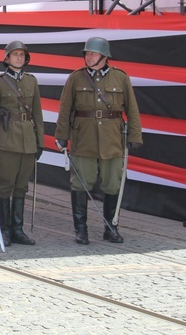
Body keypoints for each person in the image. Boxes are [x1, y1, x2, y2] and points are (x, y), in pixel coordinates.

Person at [55, 37, 143, 245]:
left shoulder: (120, 78)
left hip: (112, 140)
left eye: (92, 54)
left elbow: (132, 109)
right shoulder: (76, 78)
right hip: (83, 139)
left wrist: (135, 136)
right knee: (80, 184)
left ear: (104, 56)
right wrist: (61, 136)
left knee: (113, 184)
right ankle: (81, 229)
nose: (88, 57)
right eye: (86, 53)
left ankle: (111, 227)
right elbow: (65, 109)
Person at [0, 41, 44, 246]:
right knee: (6, 187)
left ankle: (18, 229)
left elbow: (37, 113)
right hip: (7, 141)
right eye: (15, 54)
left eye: (22, 54)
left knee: (21, 187)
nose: (19, 57)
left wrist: (40, 141)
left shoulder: (32, 81)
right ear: (7, 58)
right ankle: (5, 230)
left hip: (28, 141)